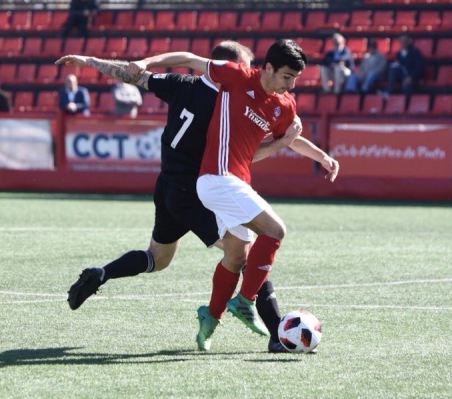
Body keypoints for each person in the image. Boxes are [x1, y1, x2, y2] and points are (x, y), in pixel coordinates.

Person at [56, 41, 303, 353]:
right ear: (225, 67)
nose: (248, 71)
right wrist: (285, 142)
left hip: (167, 187)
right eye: (244, 64)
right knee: (244, 253)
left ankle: (102, 273)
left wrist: (89, 60)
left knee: (157, 259)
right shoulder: (228, 99)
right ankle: (276, 333)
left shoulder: (179, 84)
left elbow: (133, 74)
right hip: (199, 192)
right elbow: (243, 153)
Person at [124, 39, 340, 351]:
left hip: (235, 182)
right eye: (286, 77)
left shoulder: (284, 105)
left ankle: (210, 317)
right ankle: (244, 300)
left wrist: (322, 157)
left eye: (295, 78)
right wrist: (147, 61)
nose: (291, 84)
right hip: (215, 179)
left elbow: (292, 139)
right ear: (267, 68)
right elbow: (189, 58)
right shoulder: (237, 76)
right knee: (276, 230)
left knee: (237, 255)